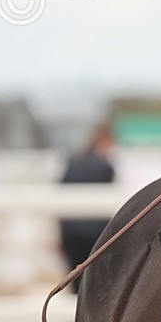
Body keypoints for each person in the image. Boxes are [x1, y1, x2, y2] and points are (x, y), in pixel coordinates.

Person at [58, 123, 116, 289]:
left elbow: (59, 198)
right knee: (97, 284)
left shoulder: (72, 163)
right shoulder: (105, 167)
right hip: (96, 234)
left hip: (70, 232)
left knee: (75, 283)